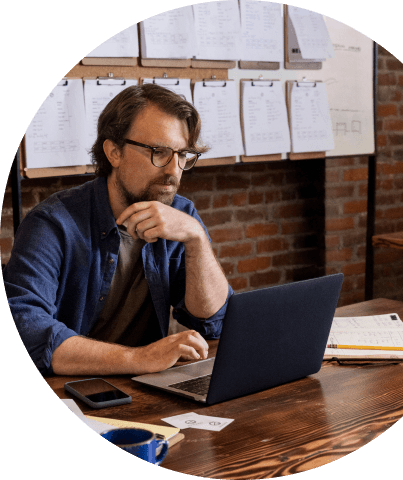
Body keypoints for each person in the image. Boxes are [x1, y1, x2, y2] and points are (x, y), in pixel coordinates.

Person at [4, 84, 233, 376]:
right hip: (72, 391)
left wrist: (197, 239)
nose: (174, 169)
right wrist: (141, 358)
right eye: (159, 152)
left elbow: (215, 321)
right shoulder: (52, 224)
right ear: (114, 152)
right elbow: (27, 330)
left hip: (145, 388)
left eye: (182, 154)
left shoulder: (180, 216)